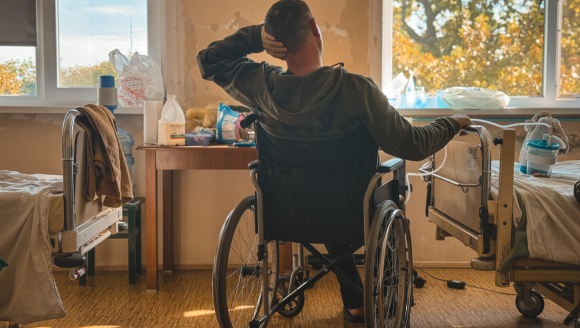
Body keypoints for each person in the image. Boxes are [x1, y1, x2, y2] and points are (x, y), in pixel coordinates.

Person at [198, 0, 472, 323]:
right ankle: (370, 296)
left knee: (319, 194)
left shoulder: (261, 87)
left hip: (284, 211)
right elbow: (413, 144)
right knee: (362, 188)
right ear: (315, 28)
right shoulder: (358, 91)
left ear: (276, 43)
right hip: (348, 211)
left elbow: (209, 60)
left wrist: (255, 37)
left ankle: (354, 298)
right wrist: (452, 122)